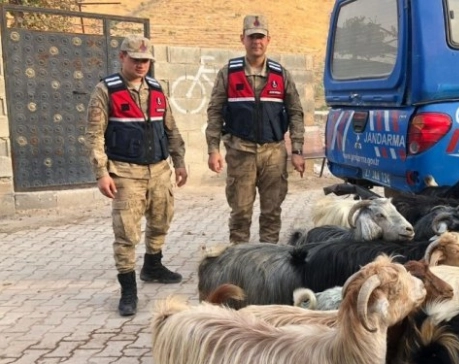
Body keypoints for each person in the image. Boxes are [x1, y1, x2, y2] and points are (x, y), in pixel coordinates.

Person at [85, 34, 188, 317]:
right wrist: (101, 173)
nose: (142, 65)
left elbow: (172, 129)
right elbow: (94, 136)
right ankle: (128, 289)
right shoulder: (105, 90)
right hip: (125, 173)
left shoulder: (156, 89)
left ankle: (153, 266)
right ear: (122, 57)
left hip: (159, 170)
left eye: (146, 60)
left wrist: (179, 162)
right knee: (127, 233)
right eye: (136, 59)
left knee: (161, 220)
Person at [205, 14, 306, 245]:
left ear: (268, 40)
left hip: (274, 153)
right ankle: (240, 260)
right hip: (240, 152)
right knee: (240, 213)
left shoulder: (280, 74)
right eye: (251, 37)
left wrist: (297, 150)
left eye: (260, 37)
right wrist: (213, 149)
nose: (256, 42)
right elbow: (215, 111)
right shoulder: (228, 73)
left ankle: (267, 260)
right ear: (243, 39)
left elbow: (295, 113)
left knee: (272, 213)